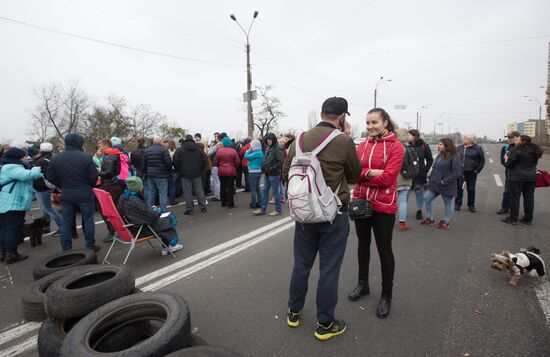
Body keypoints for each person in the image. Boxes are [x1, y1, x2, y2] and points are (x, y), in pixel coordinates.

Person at [283, 97, 361, 341]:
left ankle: (293, 312)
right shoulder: (344, 141)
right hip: (333, 214)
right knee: (329, 270)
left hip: (305, 214)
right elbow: (355, 174)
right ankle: (325, 324)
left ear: (321, 112)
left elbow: (286, 172)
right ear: (342, 117)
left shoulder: (300, 138)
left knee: (301, 264)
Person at [348, 108, 403, 320]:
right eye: (367, 122)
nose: (370, 126)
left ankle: (386, 295)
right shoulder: (362, 145)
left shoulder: (396, 147)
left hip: (383, 205)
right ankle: (363, 285)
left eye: (374, 122)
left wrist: (362, 177)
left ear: (385, 122)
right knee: (362, 246)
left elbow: (388, 179)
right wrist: (370, 173)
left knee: (384, 250)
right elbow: (352, 174)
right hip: (362, 202)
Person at [47, 133, 99, 251]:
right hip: (84, 193)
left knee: (66, 222)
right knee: (88, 220)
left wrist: (61, 185)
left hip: (67, 193)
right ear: (79, 143)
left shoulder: (55, 158)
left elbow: (50, 176)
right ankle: (90, 246)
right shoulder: (86, 157)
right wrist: (88, 185)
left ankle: (66, 249)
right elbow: (94, 176)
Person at [117, 176, 182, 254]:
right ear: (137, 187)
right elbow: (152, 217)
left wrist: (150, 209)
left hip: (131, 227)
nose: (142, 186)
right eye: (141, 185)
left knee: (164, 220)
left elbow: (142, 213)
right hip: (139, 230)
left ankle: (166, 247)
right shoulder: (133, 201)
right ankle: (171, 245)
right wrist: (156, 210)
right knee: (169, 219)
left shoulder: (124, 197)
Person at [0, 147, 43, 264]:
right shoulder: (11, 167)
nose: (26, 157)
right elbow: (27, 175)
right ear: (17, 158)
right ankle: (11, 254)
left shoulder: (6, 166)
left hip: (7, 203)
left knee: (5, 229)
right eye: (24, 156)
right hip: (13, 203)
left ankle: (4, 253)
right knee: (12, 229)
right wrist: (37, 168)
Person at [502, 135, 543, 225]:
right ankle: (528, 219)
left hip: (517, 177)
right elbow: (534, 163)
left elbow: (509, 165)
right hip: (531, 177)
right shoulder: (535, 150)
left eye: (517, 139)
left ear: (522, 141)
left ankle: (513, 218)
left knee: (515, 198)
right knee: (529, 198)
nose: (515, 140)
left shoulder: (516, 150)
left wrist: (506, 159)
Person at [421, 138, 461, 229]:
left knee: (448, 204)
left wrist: (444, 181)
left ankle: (445, 222)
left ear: (447, 146)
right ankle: (430, 218)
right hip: (435, 184)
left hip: (447, 185)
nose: (438, 146)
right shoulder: (440, 155)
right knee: (427, 198)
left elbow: (457, 173)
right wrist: (430, 178)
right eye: (439, 144)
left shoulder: (454, 157)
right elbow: (434, 168)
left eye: (440, 144)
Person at [97, 138, 127, 242]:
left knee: (105, 209)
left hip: (110, 185)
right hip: (118, 184)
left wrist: (97, 172)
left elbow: (109, 173)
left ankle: (112, 231)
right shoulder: (116, 153)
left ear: (106, 145)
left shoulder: (109, 156)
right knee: (118, 207)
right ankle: (123, 228)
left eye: (100, 146)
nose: (99, 148)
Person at [173, 135, 208, 215]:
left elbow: (175, 161)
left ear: (185, 140)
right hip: (197, 173)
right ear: (192, 140)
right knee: (199, 191)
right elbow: (205, 160)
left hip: (185, 174)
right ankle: (203, 207)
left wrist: (179, 170)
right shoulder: (198, 149)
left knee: (187, 192)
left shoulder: (180, 150)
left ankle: (189, 209)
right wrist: (200, 169)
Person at [33, 142, 62, 236]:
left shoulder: (41, 161)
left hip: (42, 186)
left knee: (47, 208)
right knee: (44, 207)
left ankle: (62, 226)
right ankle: (46, 227)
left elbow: (41, 175)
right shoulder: (53, 158)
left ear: (41, 150)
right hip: (49, 186)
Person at [254, 132, 284, 216]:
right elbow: (266, 159)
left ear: (273, 139)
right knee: (265, 191)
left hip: (274, 174)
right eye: (267, 139)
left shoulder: (278, 148)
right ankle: (263, 209)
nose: (268, 141)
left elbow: (280, 161)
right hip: (267, 173)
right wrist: (264, 168)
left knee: (275, 193)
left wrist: (271, 168)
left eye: (270, 139)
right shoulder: (269, 147)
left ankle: (278, 210)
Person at [455, 135, 485, 212]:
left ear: (470, 140)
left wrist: (477, 170)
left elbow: (482, 160)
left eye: (465, 138)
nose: (463, 139)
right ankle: (458, 204)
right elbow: (455, 157)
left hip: (472, 172)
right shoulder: (459, 147)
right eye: (463, 138)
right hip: (461, 172)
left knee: (471, 189)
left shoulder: (477, 148)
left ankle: (471, 205)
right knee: (459, 188)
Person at [408, 129, 433, 220]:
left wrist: (425, 170)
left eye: (409, 135)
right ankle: (403, 212)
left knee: (419, 192)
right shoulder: (406, 146)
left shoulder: (424, 146)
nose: (407, 137)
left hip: (420, 175)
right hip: (408, 175)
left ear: (414, 136)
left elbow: (430, 159)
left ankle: (419, 210)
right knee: (405, 194)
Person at [143, 136, 172, 213]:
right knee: (162, 193)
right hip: (161, 175)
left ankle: (150, 209)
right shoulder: (164, 150)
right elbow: (168, 163)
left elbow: (144, 164)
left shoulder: (147, 151)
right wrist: (169, 171)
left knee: (151, 192)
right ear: (160, 142)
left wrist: (145, 173)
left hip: (150, 175)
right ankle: (163, 210)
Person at [497, 131, 520, 215]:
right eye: (508, 137)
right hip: (510, 172)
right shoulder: (505, 148)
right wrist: (507, 163)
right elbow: (502, 161)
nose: (509, 139)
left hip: (522, 173)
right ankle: (505, 207)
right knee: (507, 191)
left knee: (521, 194)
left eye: (512, 137)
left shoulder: (522, 147)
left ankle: (526, 213)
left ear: (517, 137)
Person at [214, 137, 240, 208]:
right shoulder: (233, 151)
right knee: (230, 187)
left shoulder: (219, 151)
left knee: (222, 186)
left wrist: (220, 166)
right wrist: (234, 166)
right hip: (231, 171)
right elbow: (237, 161)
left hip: (222, 171)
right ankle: (230, 204)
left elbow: (216, 162)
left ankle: (223, 203)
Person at [395, 128, 413, 231]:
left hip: (396, 176)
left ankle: (388, 220)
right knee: (403, 201)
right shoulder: (407, 147)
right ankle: (402, 222)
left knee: (391, 200)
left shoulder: (395, 146)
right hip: (406, 177)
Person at [244, 139, 264, 209]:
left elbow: (246, 156)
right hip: (258, 171)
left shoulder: (255, 153)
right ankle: (260, 202)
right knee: (258, 188)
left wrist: (248, 150)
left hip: (252, 172)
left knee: (253, 189)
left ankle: (253, 204)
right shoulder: (261, 153)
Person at [208, 132, 223, 201]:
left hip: (216, 165)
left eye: (216, 137)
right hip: (222, 164)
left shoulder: (216, 146)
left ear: (218, 138)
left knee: (216, 181)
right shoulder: (225, 145)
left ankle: (217, 196)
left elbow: (208, 154)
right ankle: (221, 194)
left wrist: (211, 147)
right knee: (221, 181)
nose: (215, 138)